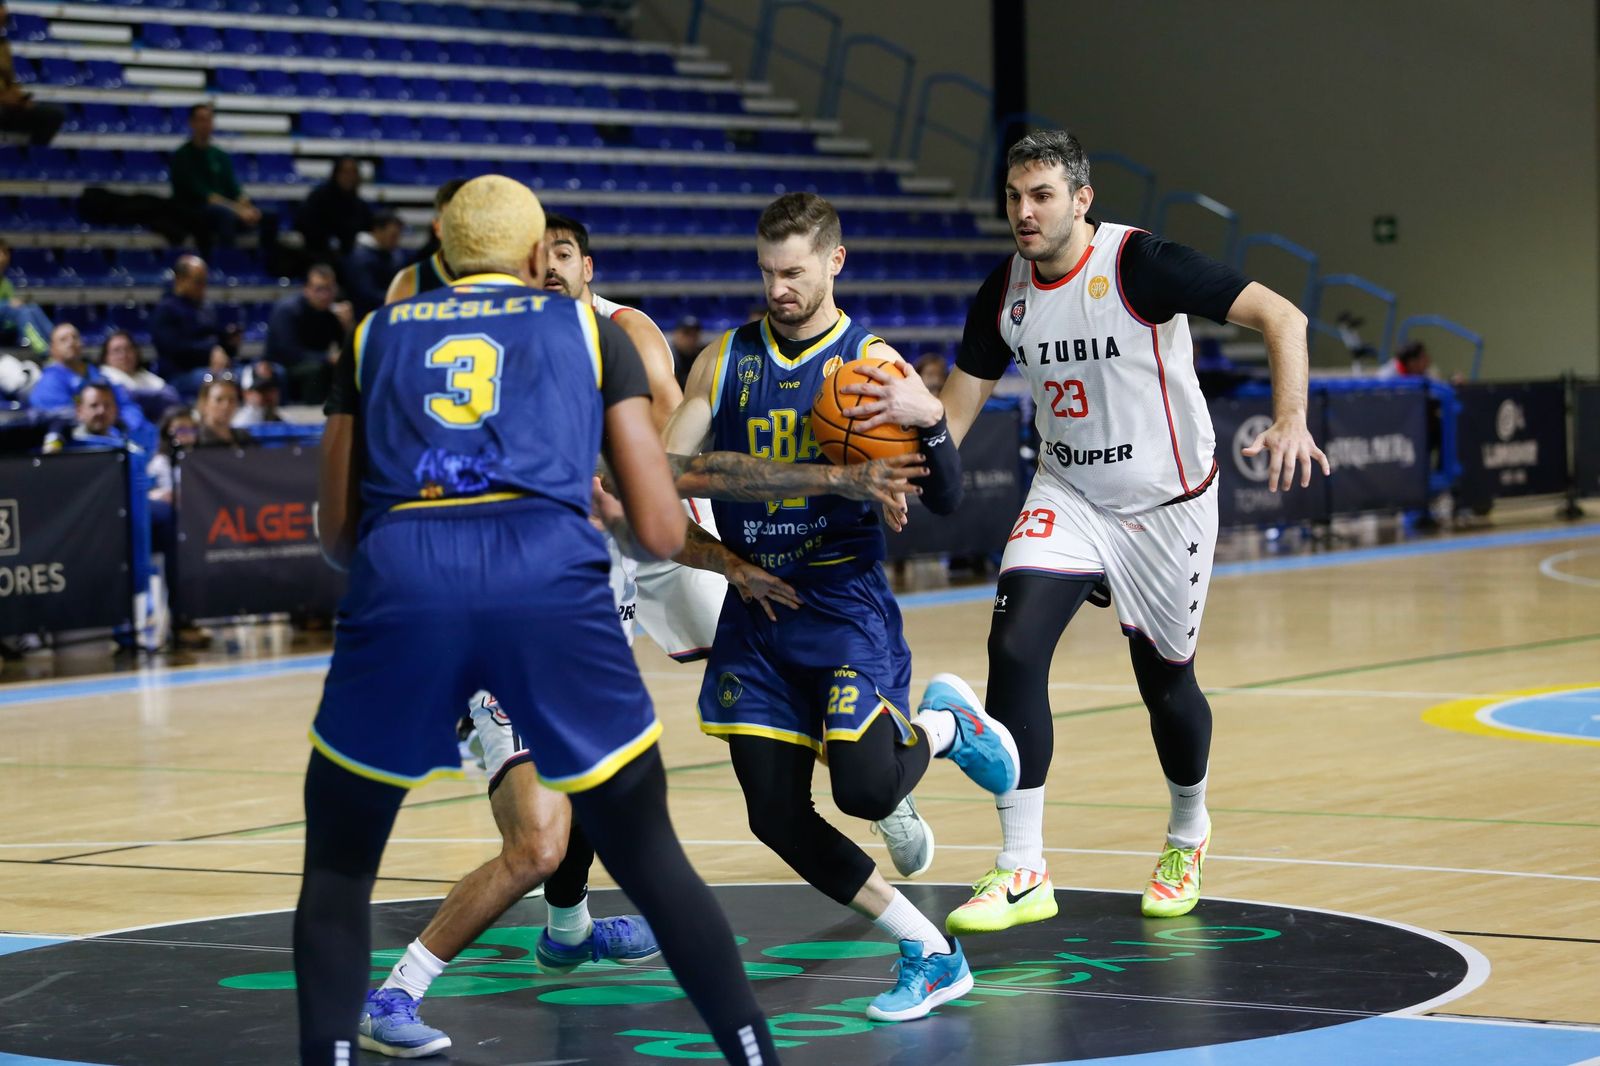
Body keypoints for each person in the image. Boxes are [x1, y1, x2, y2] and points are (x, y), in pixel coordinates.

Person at [358, 211, 932, 1058]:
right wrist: (831, 477)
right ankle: (396, 994)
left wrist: (727, 557)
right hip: (503, 626)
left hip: (610, 586)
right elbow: (662, 471)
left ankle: (573, 925)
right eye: (531, 260)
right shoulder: (504, 388)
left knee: (631, 755)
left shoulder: (620, 336)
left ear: (584, 267)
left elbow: (665, 477)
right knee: (540, 838)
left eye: (563, 256)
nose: (547, 271)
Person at [297, 173, 780, 1066]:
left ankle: (556, 933)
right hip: (547, 595)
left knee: (335, 871)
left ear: (440, 254)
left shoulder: (371, 336)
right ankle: (753, 1053)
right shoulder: (593, 331)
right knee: (627, 850)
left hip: (407, 595)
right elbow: (663, 524)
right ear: (534, 258)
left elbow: (333, 536)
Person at [841, 129, 1330, 932]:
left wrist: (1290, 419)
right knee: (1014, 647)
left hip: (1166, 504)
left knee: (1165, 685)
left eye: (1041, 196)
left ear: (1081, 200)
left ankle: (1187, 830)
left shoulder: (1141, 264)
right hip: (1068, 494)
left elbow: (1283, 314)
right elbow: (953, 418)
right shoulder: (1004, 292)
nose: (1024, 212)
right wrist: (900, 466)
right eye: (1013, 196)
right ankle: (1022, 865)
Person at [662, 191, 1020, 1023]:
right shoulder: (724, 360)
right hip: (756, 608)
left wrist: (929, 425)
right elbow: (667, 473)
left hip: (842, 601)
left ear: (834, 263)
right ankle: (927, 948)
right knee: (774, 814)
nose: (778, 288)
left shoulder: (872, 365)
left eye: (793, 272)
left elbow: (949, 501)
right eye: (766, 271)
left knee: (862, 793)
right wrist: (729, 561)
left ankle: (945, 727)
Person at [28, 322, 154, 450]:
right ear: (52, 349)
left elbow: (126, 405)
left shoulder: (97, 374)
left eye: (75, 337)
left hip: (115, 437)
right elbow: (60, 420)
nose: (71, 342)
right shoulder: (49, 382)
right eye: (63, 339)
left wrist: (130, 425)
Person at [169, 103, 275, 252]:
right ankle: (226, 265)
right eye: (201, 120)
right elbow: (206, 196)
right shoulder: (183, 156)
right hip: (195, 210)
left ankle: (267, 263)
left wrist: (246, 205)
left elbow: (233, 187)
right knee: (224, 215)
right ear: (191, 123)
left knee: (269, 215)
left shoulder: (220, 155)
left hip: (224, 207)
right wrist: (238, 210)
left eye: (209, 120)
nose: (205, 124)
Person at [266, 265, 352, 402]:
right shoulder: (287, 311)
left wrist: (348, 326)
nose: (325, 295)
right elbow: (290, 352)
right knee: (316, 370)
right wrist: (327, 358)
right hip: (284, 365)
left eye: (329, 289)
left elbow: (343, 347)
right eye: (319, 289)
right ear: (306, 290)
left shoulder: (332, 313)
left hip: (316, 361)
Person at [150, 255, 238, 383]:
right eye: (198, 281)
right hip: (180, 374)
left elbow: (215, 340)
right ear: (180, 280)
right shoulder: (165, 310)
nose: (203, 287)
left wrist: (229, 343)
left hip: (211, 368)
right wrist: (211, 351)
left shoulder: (205, 307)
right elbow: (175, 350)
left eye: (205, 281)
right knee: (221, 382)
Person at [385, 179, 465, 304]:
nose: (460, 229)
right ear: (437, 227)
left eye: (467, 220)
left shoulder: (502, 277)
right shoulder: (410, 281)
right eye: (452, 222)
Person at [0, 3, 63, 147]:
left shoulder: (3, 45)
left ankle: (33, 158)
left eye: (3, 20)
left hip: (6, 107)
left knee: (53, 114)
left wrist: (20, 98)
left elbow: (10, 80)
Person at [295, 155, 373, 263]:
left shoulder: (360, 205)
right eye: (345, 172)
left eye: (353, 172)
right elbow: (306, 227)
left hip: (349, 259)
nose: (349, 177)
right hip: (318, 256)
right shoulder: (318, 198)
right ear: (335, 174)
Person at [341, 212, 405, 321]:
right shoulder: (360, 258)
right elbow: (366, 294)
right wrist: (399, 298)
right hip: (364, 318)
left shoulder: (393, 255)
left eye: (398, 235)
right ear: (378, 231)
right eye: (393, 235)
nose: (396, 240)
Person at [42, 382, 131, 452]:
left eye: (107, 406)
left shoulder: (125, 446)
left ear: (116, 410)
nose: (101, 411)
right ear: (79, 411)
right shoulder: (66, 446)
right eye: (94, 405)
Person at [0, 236, 52, 352]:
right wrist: (8, 304)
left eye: (5, 253)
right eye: (1, 252)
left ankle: (55, 339)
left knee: (32, 307)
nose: (4, 257)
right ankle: (44, 351)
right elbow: (10, 307)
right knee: (20, 311)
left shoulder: (6, 283)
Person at [194, 376, 252, 447]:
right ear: (204, 403)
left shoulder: (244, 438)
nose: (226, 406)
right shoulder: (194, 440)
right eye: (219, 400)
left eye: (232, 400)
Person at [234, 361, 285, 427]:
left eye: (271, 390)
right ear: (246, 394)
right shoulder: (240, 425)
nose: (268, 395)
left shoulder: (284, 423)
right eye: (262, 390)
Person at [668, 314, 702, 388]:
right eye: (686, 333)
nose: (691, 338)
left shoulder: (701, 357)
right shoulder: (669, 357)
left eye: (694, 334)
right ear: (676, 334)